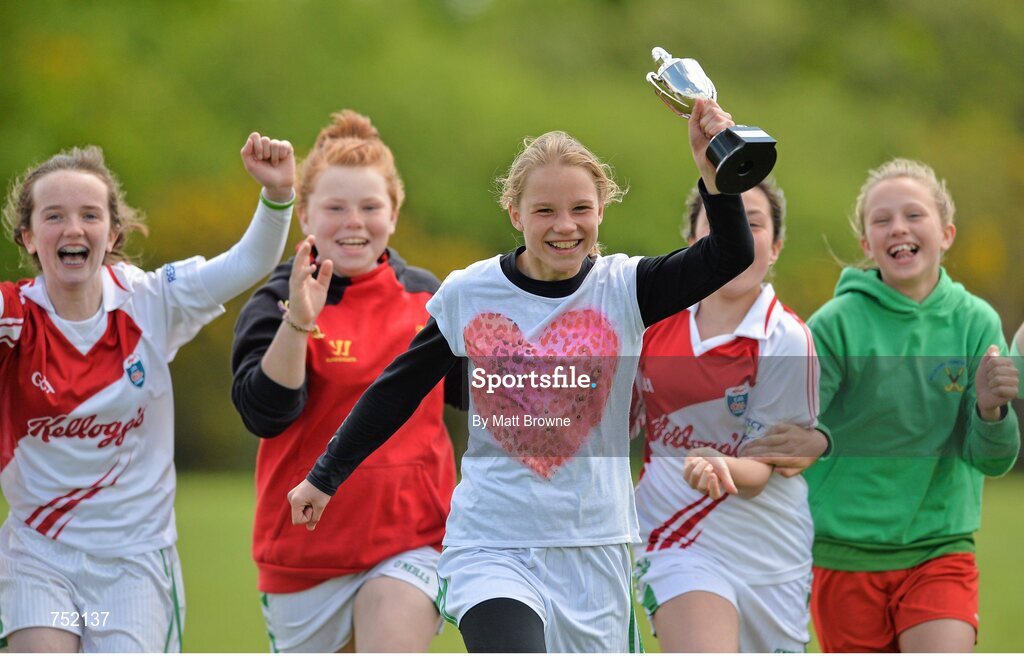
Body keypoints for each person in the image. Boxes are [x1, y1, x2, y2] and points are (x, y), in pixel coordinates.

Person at [286, 97, 755, 653]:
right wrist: (325, 475)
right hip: (492, 545)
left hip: (595, 548)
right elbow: (400, 388)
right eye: (544, 211)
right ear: (515, 214)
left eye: (580, 208)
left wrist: (715, 176)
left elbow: (730, 255)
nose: (565, 226)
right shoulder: (470, 292)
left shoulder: (626, 288)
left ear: (602, 209)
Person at [0, 134, 295, 652]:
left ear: (112, 232)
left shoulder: (151, 300)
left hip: (135, 563)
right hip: (38, 554)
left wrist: (277, 196)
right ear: (27, 236)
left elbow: (248, 263)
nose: (73, 228)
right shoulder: (12, 317)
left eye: (90, 215)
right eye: (54, 216)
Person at [230, 110, 461, 653]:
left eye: (370, 206)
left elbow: (483, 398)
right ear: (305, 214)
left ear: (394, 214)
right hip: (303, 551)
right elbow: (266, 413)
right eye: (334, 207)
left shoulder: (430, 298)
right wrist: (298, 321)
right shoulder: (274, 300)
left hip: (413, 540)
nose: (353, 221)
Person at [801, 158, 1020, 652]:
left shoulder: (976, 322)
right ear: (867, 245)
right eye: (882, 220)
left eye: (913, 215)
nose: (898, 227)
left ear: (946, 233)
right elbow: (795, 424)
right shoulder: (833, 325)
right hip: (845, 557)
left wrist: (991, 410)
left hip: (941, 549)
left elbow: (993, 459)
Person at [630, 177, 824, 652]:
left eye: (752, 224)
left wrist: (720, 465)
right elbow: (612, 428)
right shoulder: (649, 323)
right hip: (673, 537)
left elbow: (759, 472)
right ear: (693, 242)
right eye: (720, 221)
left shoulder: (786, 339)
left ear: (775, 247)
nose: (737, 234)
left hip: (770, 549)